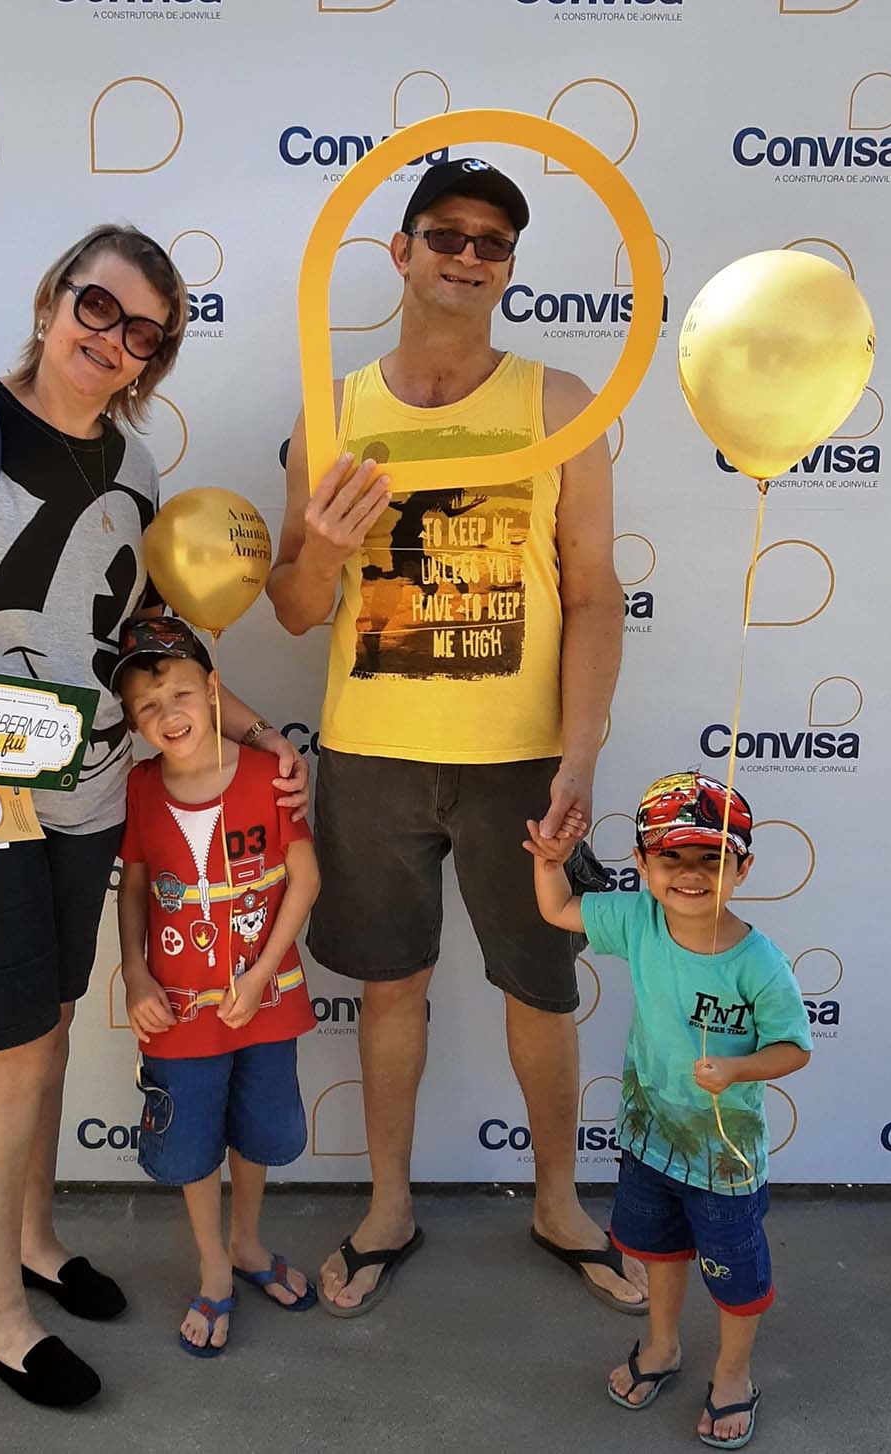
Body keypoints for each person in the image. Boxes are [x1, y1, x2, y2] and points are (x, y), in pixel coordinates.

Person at [0, 224, 308, 1407]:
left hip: (81, 795)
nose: (114, 340)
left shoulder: (134, 465)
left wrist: (250, 727)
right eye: (99, 307)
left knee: (42, 1032)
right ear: (53, 300)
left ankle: (36, 1241)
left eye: (144, 331)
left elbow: (140, 629)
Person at [267, 159, 643, 1315]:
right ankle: (388, 1204)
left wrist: (579, 755)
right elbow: (292, 604)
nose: (469, 256)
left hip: (520, 760)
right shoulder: (333, 410)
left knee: (541, 984)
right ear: (401, 250)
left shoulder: (559, 402)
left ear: (510, 265)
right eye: (446, 234)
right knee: (390, 986)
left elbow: (594, 592)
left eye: (493, 241)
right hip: (374, 754)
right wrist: (329, 551)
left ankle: (559, 1202)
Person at [524, 772, 811, 1449]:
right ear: (643, 863)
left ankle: (734, 1374)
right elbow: (558, 910)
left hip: (724, 1162)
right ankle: (661, 1347)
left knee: (736, 1279)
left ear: (743, 867)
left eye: (711, 858)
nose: (689, 874)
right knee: (659, 1252)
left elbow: (794, 1048)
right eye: (670, 856)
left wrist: (738, 1069)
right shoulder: (638, 919)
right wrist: (550, 862)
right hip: (649, 1142)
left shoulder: (761, 964)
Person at [113, 618, 320, 1357]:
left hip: (266, 1002)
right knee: (191, 1143)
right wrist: (135, 970)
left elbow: (305, 879)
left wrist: (261, 974)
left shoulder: (268, 776)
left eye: (179, 694)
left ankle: (248, 1243)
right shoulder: (142, 787)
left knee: (259, 1131)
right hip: (177, 1014)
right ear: (133, 724)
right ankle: (213, 1266)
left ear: (212, 689)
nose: (168, 715)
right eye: (147, 707)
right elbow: (133, 886)